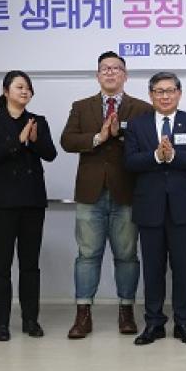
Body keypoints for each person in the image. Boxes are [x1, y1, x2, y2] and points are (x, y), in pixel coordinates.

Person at [60, 51, 151, 339]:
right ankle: (83, 314)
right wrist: (99, 137)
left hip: (127, 192)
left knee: (127, 256)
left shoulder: (142, 109)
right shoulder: (81, 106)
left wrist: (119, 136)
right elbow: (67, 140)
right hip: (91, 193)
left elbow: (147, 145)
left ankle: (126, 311)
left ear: (125, 75)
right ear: (97, 75)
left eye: (116, 68)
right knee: (87, 255)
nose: (110, 72)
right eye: (105, 69)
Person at [124, 71, 186, 346]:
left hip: (183, 207)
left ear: (179, 94)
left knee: (182, 268)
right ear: (151, 95)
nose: (165, 96)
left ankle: (184, 323)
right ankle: (154, 323)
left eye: (170, 90)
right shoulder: (137, 125)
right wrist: (156, 157)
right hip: (150, 206)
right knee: (153, 268)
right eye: (159, 91)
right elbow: (130, 161)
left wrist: (173, 155)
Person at [0, 70, 57, 341]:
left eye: (28, 88)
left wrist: (34, 140)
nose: (25, 91)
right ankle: (1, 322)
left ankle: (30, 319)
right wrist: (18, 140)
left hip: (32, 201)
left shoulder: (38, 121)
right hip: (2, 202)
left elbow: (50, 154)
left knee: (30, 264)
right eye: (19, 87)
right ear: (6, 91)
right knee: (1, 265)